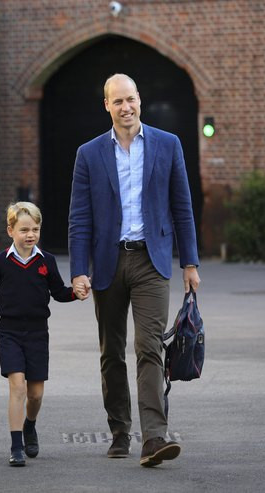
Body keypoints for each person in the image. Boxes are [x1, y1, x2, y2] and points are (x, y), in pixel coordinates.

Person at [68, 73, 201, 467]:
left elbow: (183, 206)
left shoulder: (167, 144)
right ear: (106, 106)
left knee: (149, 348)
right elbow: (79, 218)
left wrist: (189, 262)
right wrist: (78, 270)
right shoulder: (88, 154)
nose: (126, 108)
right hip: (108, 262)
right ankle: (120, 431)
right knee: (112, 353)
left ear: (139, 100)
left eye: (131, 99)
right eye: (117, 101)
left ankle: (154, 438)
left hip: (151, 260)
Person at [0, 202, 76, 467]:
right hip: (9, 332)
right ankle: (16, 445)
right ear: (11, 231)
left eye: (36, 229)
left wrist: (76, 292)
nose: (30, 235)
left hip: (38, 334)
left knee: (36, 394)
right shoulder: (0, 262)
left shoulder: (47, 261)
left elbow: (59, 292)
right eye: (24, 229)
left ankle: (30, 425)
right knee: (17, 386)